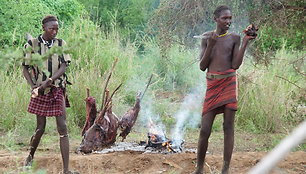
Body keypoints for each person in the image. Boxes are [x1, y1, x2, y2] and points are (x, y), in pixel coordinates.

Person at [193, 5, 256, 174]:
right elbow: (202, 66)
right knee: (205, 129)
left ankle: (225, 169)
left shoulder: (235, 38)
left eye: (230, 18)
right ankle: (199, 169)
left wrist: (245, 42)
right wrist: (211, 45)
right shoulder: (207, 38)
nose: (228, 21)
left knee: (228, 127)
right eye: (224, 18)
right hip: (212, 86)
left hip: (228, 84)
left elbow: (235, 65)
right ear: (216, 19)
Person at [22, 15, 78, 174]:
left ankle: (66, 169)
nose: (54, 31)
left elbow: (63, 66)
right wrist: (34, 85)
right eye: (51, 28)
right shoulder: (32, 44)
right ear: (44, 28)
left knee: (63, 127)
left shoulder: (61, 44)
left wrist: (51, 80)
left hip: (57, 89)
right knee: (40, 128)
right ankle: (30, 156)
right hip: (40, 90)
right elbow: (25, 67)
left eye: (56, 29)